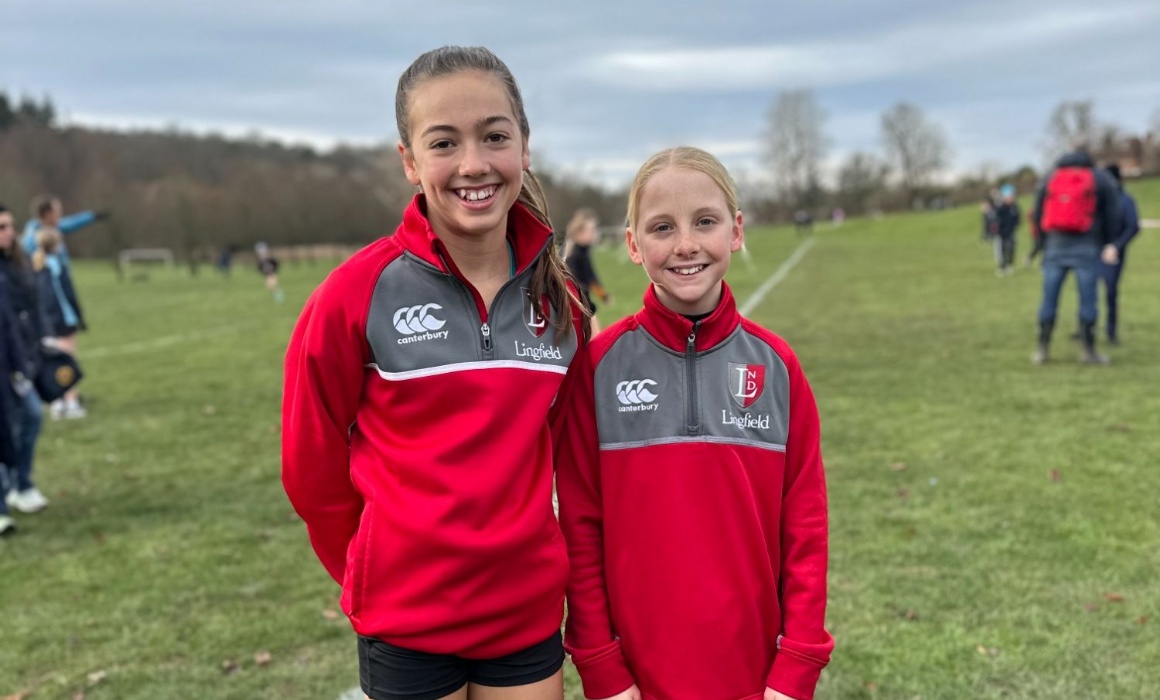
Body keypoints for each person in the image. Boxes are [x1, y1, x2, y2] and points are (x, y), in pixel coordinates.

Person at [282, 46, 589, 700]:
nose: (473, 164)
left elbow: (564, 454)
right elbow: (310, 467)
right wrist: (374, 570)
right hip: (407, 622)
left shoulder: (563, 308)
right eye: (444, 142)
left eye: (494, 137)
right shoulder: (354, 294)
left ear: (525, 147)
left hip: (525, 618)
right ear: (410, 162)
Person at [556, 146, 833, 700]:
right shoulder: (598, 368)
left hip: (755, 678)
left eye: (705, 222)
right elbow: (580, 526)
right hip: (636, 678)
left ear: (735, 231)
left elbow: (805, 526)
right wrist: (602, 665)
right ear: (634, 245)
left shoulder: (776, 367)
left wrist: (797, 662)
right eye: (662, 227)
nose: (686, 245)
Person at [1030, 146, 1122, 365]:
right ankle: (1088, 351)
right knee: (1088, 299)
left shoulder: (1050, 178)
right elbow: (1113, 213)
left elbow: (1037, 213)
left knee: (1049, 298)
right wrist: (1108, 241)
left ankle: (1042, 349)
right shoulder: (1100, 178)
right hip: (1087, 245)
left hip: (1055, 246)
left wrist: (1042, 243)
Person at [0, 203, 50, 514]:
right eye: (2, 227)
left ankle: (21, 482)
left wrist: (42, 338)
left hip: (19, 358)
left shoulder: (16, 264)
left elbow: (28, 309)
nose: (10, 233)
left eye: (10, 226)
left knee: (31, 416)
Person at [32, 227, 86, 418]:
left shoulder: (36, 266)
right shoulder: (57, 266)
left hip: (45, 322)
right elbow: (67, 295)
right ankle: (71, 403)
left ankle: (56, 402)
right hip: (62, 319)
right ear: (55, 245)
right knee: (67, 361)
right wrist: (79, 317)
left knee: (51, 361)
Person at [1097, 164, 1140, 345]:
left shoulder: (1126, 200)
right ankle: (1086, 327)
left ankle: (1111, 330)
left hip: (1114, 253)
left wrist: (1116, 246)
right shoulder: (1098, 199)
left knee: (1110, 292)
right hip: (1095, 250)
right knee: (1089, 290)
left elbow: (1133, 226)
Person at [563, 208, 611, 335]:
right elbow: (577, 284)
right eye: (591, 230)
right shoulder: (574, 256)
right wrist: (589, 305)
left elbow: (590, 278)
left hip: (584, 306)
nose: (594, 234)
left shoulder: (583, 252)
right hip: (578, 309)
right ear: (578, 233)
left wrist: (602, 295)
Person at [993, 184, 1020, 275]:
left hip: (1011, 231)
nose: (1010, 198)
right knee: (1002, 250)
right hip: (1002, 233)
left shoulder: (1014, 207)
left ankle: (1010, 264)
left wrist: (1015, 225)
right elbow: (996, 220)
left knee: (1011, 248)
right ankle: (1002, 266)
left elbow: (1017, 218)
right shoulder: (1000, 208)